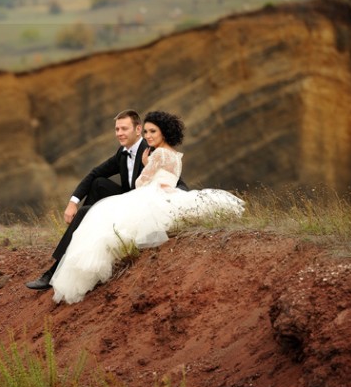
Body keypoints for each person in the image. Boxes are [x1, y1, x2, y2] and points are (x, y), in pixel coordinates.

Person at [50, 110, 245, 304]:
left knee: (99, 216)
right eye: (147, 132)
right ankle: (61, 260)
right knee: (98, 188)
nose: (148, 136)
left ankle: (69, 265)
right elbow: (170, 178)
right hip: (162, 194)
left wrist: (146, 164)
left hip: (149, 195)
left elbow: (140, 183)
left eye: (152, 132)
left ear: (163, 133)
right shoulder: (176, 155)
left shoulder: (156, 154)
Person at [25, 109, 188, 291]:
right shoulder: (123, 152)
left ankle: (54, 271)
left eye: (124, 129)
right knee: (99, 183)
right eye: (117, 129)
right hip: (130, 200)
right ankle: (79, 238)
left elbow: (176, 180)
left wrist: (175, 202)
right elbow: (95, 172)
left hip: (140, 207)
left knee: (87, 214)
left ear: (137, 129)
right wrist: (73, 201)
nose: (119, 133)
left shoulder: (153, 151)